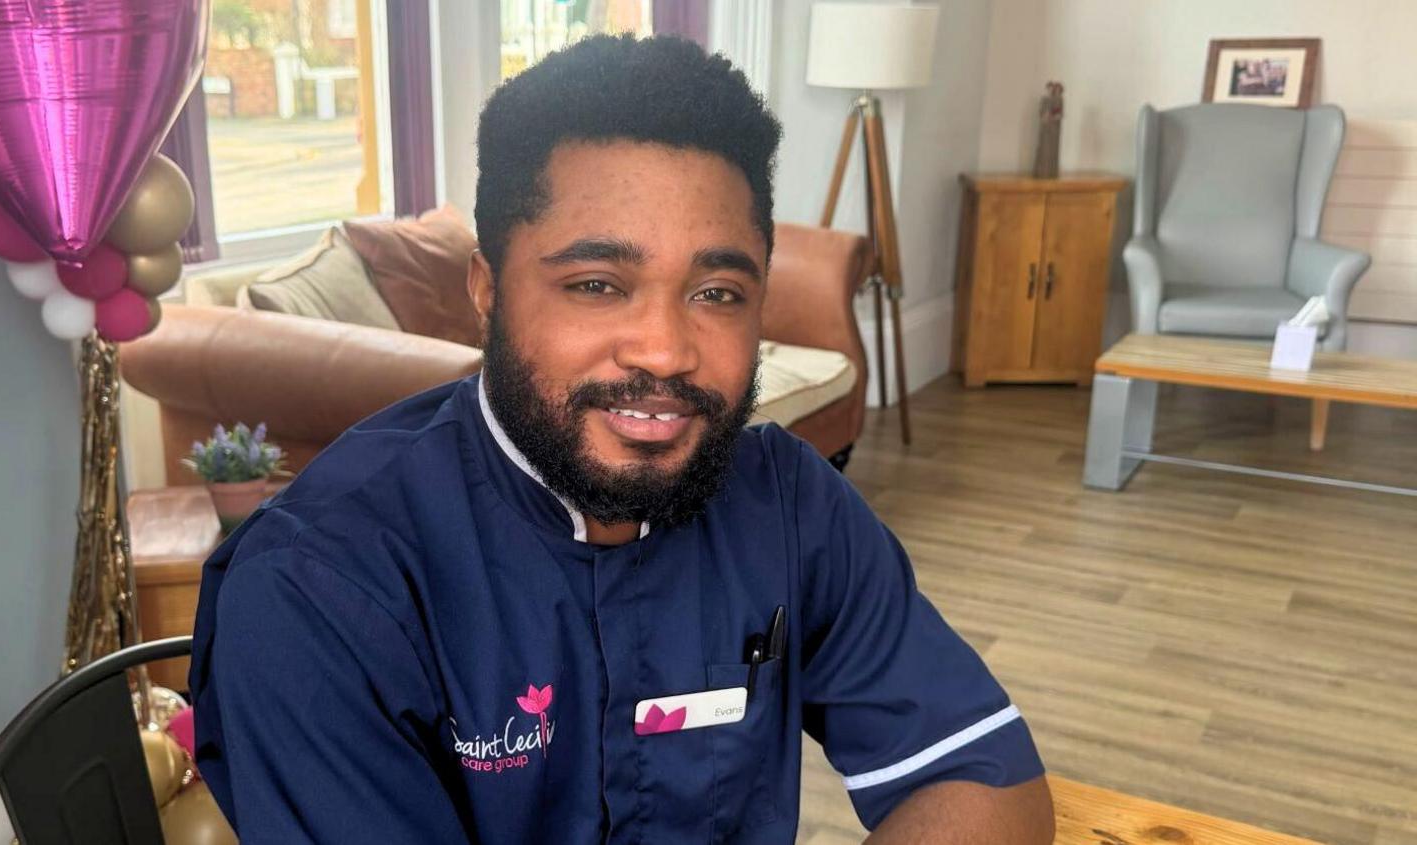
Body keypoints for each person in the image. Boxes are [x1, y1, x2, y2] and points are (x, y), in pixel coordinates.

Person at [190, 34, 1054, 844]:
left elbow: (987, 779)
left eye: (717, 292)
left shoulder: (787, 505)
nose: (666, 351)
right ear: (487, 293)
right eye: (598, 283)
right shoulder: (321, 585)